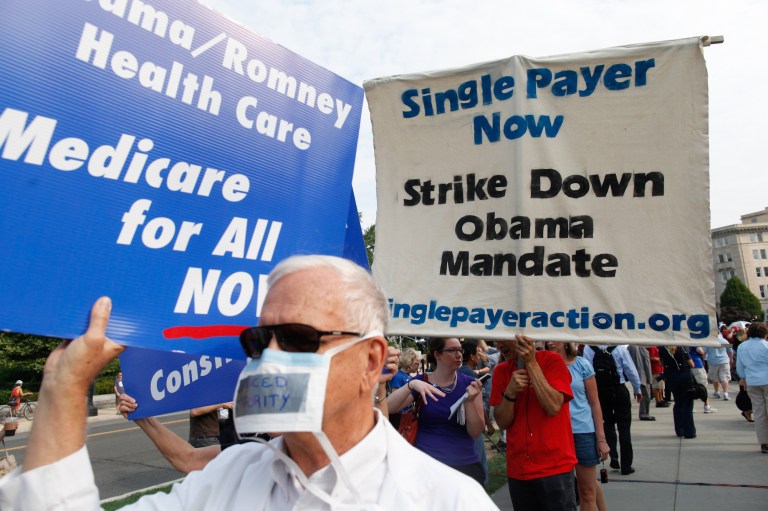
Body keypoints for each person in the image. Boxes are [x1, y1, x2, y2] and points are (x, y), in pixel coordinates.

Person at [0, 255, 496, 509]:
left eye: (299, 338)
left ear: (371, 362)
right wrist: (62, 391)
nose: (272, 357)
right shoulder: (227, 477)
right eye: (260, 341)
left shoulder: (445, 500)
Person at [490, 335, 578, 511]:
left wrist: (531, 363)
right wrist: (510, 392)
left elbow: (553, 406)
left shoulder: (552, 360)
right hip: (519, 470)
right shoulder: (501, 371)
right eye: (495, 340)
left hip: (554, 468)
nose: (498, 345)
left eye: (503, 339)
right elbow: (502, 422)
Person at [386, 337, 486, 486]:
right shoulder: (422, 381)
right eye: (452, 350)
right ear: (437, 354)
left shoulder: (468, 382)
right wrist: (411, 385)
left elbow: (476, 432)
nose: (459, 355)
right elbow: (388, 407)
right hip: (427, 467)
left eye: (460, 350)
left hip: (463, 467)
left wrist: (470, 402)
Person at [547, 341, 609, 511]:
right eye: (547, 338)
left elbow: (594, 403)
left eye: (554, 338)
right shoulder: (542, 365)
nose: (549, 342)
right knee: (567, 490)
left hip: (582, 432)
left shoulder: (582, 364)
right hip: (556, 433)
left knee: (586, 490)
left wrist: (601, 438)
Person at [582, 345, 642, 475]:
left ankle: (613, 454)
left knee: (608, 424)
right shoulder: (619, 347)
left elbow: (587, 371)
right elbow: (630, 369)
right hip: (619, 389)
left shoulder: (589, 348)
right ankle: (626, 465)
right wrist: (637, 389)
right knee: (624, 428)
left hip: (601, 391)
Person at [735, 322, 768, 453]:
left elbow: (740, 365)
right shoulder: (766, 345)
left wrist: (742, 377)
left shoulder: (743, 346)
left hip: (752, 381)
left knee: (759, 413)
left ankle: (764, 442)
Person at [658, 346, 696, 439]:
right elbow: (691, 364)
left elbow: (661, 363)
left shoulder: (662, 348)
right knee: (687, 404)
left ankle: (679, 430)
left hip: (672, 377)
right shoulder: (682, 347)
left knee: (678, 403)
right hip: (684, 376)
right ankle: (689, 431)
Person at [628, 345, 654, 421]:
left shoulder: (635, 347)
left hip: (642, 374)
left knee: (646, 395)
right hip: (641, 374)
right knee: (645, 395)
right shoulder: (636, 347)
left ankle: (645, 412)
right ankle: (644, 413)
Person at [689, 346, 716, 413]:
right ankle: (706, 406)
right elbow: (699, 350)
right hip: (697, 365)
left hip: (688, 366)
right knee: (703, 387)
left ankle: (691, 407)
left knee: (690, 386)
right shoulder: (692, 341)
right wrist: (702, 354)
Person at [705, 335, 733, 401]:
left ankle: (717, 392)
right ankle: (725, 393)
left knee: (714, 378)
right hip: (724, 361)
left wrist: (703, 360)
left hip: (712, 361)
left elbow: (704, 352)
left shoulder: (708, 341)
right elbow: (730, 351)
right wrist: (731, 359)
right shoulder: (724, 340)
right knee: (725, 378)